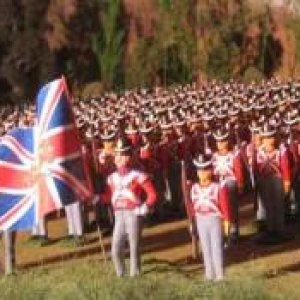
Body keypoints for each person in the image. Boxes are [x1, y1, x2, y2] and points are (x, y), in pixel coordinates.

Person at [100, 136, 157, 277]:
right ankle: (121, 275)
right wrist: (96, 198)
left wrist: (144, 207)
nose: (119, 158)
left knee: (134, 247)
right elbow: (109, 196)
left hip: (133, 213)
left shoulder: (138, 175)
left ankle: (135, 274)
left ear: (129, 157)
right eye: (118, 154)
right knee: (115, 249)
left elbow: (153, 195)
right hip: (118, 215)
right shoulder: (111, 178)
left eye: (123, 154)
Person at [190, 153, 231, 282]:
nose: (202, 173)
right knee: (205, 249)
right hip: (200, 219)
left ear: (211, 170)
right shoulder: (194, 188)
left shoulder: (219, 187)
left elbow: (225, 208)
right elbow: (192, 207)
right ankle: (209, 274)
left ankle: (220, 275)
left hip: (214, 219)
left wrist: (226, 224)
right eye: (200, 170)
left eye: (205, 169)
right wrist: (192, 223)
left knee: (216, 248)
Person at [255, 123, 291, 244]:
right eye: (266, 138)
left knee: (278, 204)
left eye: (271, 137)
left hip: (277, 180)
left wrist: (286, 182)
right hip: (264, 180)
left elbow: (285, 167)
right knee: (268, 205)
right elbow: (256, 168)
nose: (268, 140)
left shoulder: (281, 151)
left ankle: (280, 229)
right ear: (262, 139)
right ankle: (270, 229)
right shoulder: (259, 152)